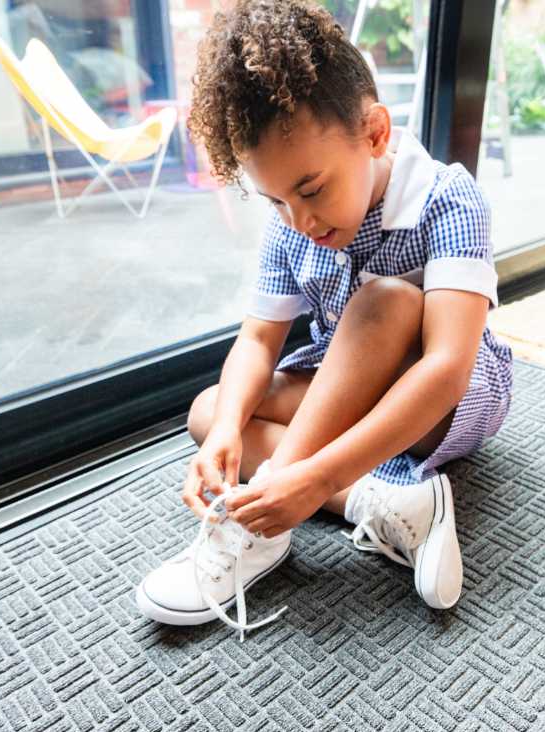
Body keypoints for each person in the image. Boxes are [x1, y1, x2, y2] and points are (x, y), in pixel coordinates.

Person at [135, 0, 513, 640]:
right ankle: (388, 503)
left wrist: (314, 477)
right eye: (277, 200)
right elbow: (258, 341)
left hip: (447, 401)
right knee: (209, 412)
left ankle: (276, 505)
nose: (300, 220)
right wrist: (230, 427)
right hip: (348, 383)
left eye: (310, 190)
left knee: (387, 300)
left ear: (374, 134)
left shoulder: (447, 198)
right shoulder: (292, 226)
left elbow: (448, 369)